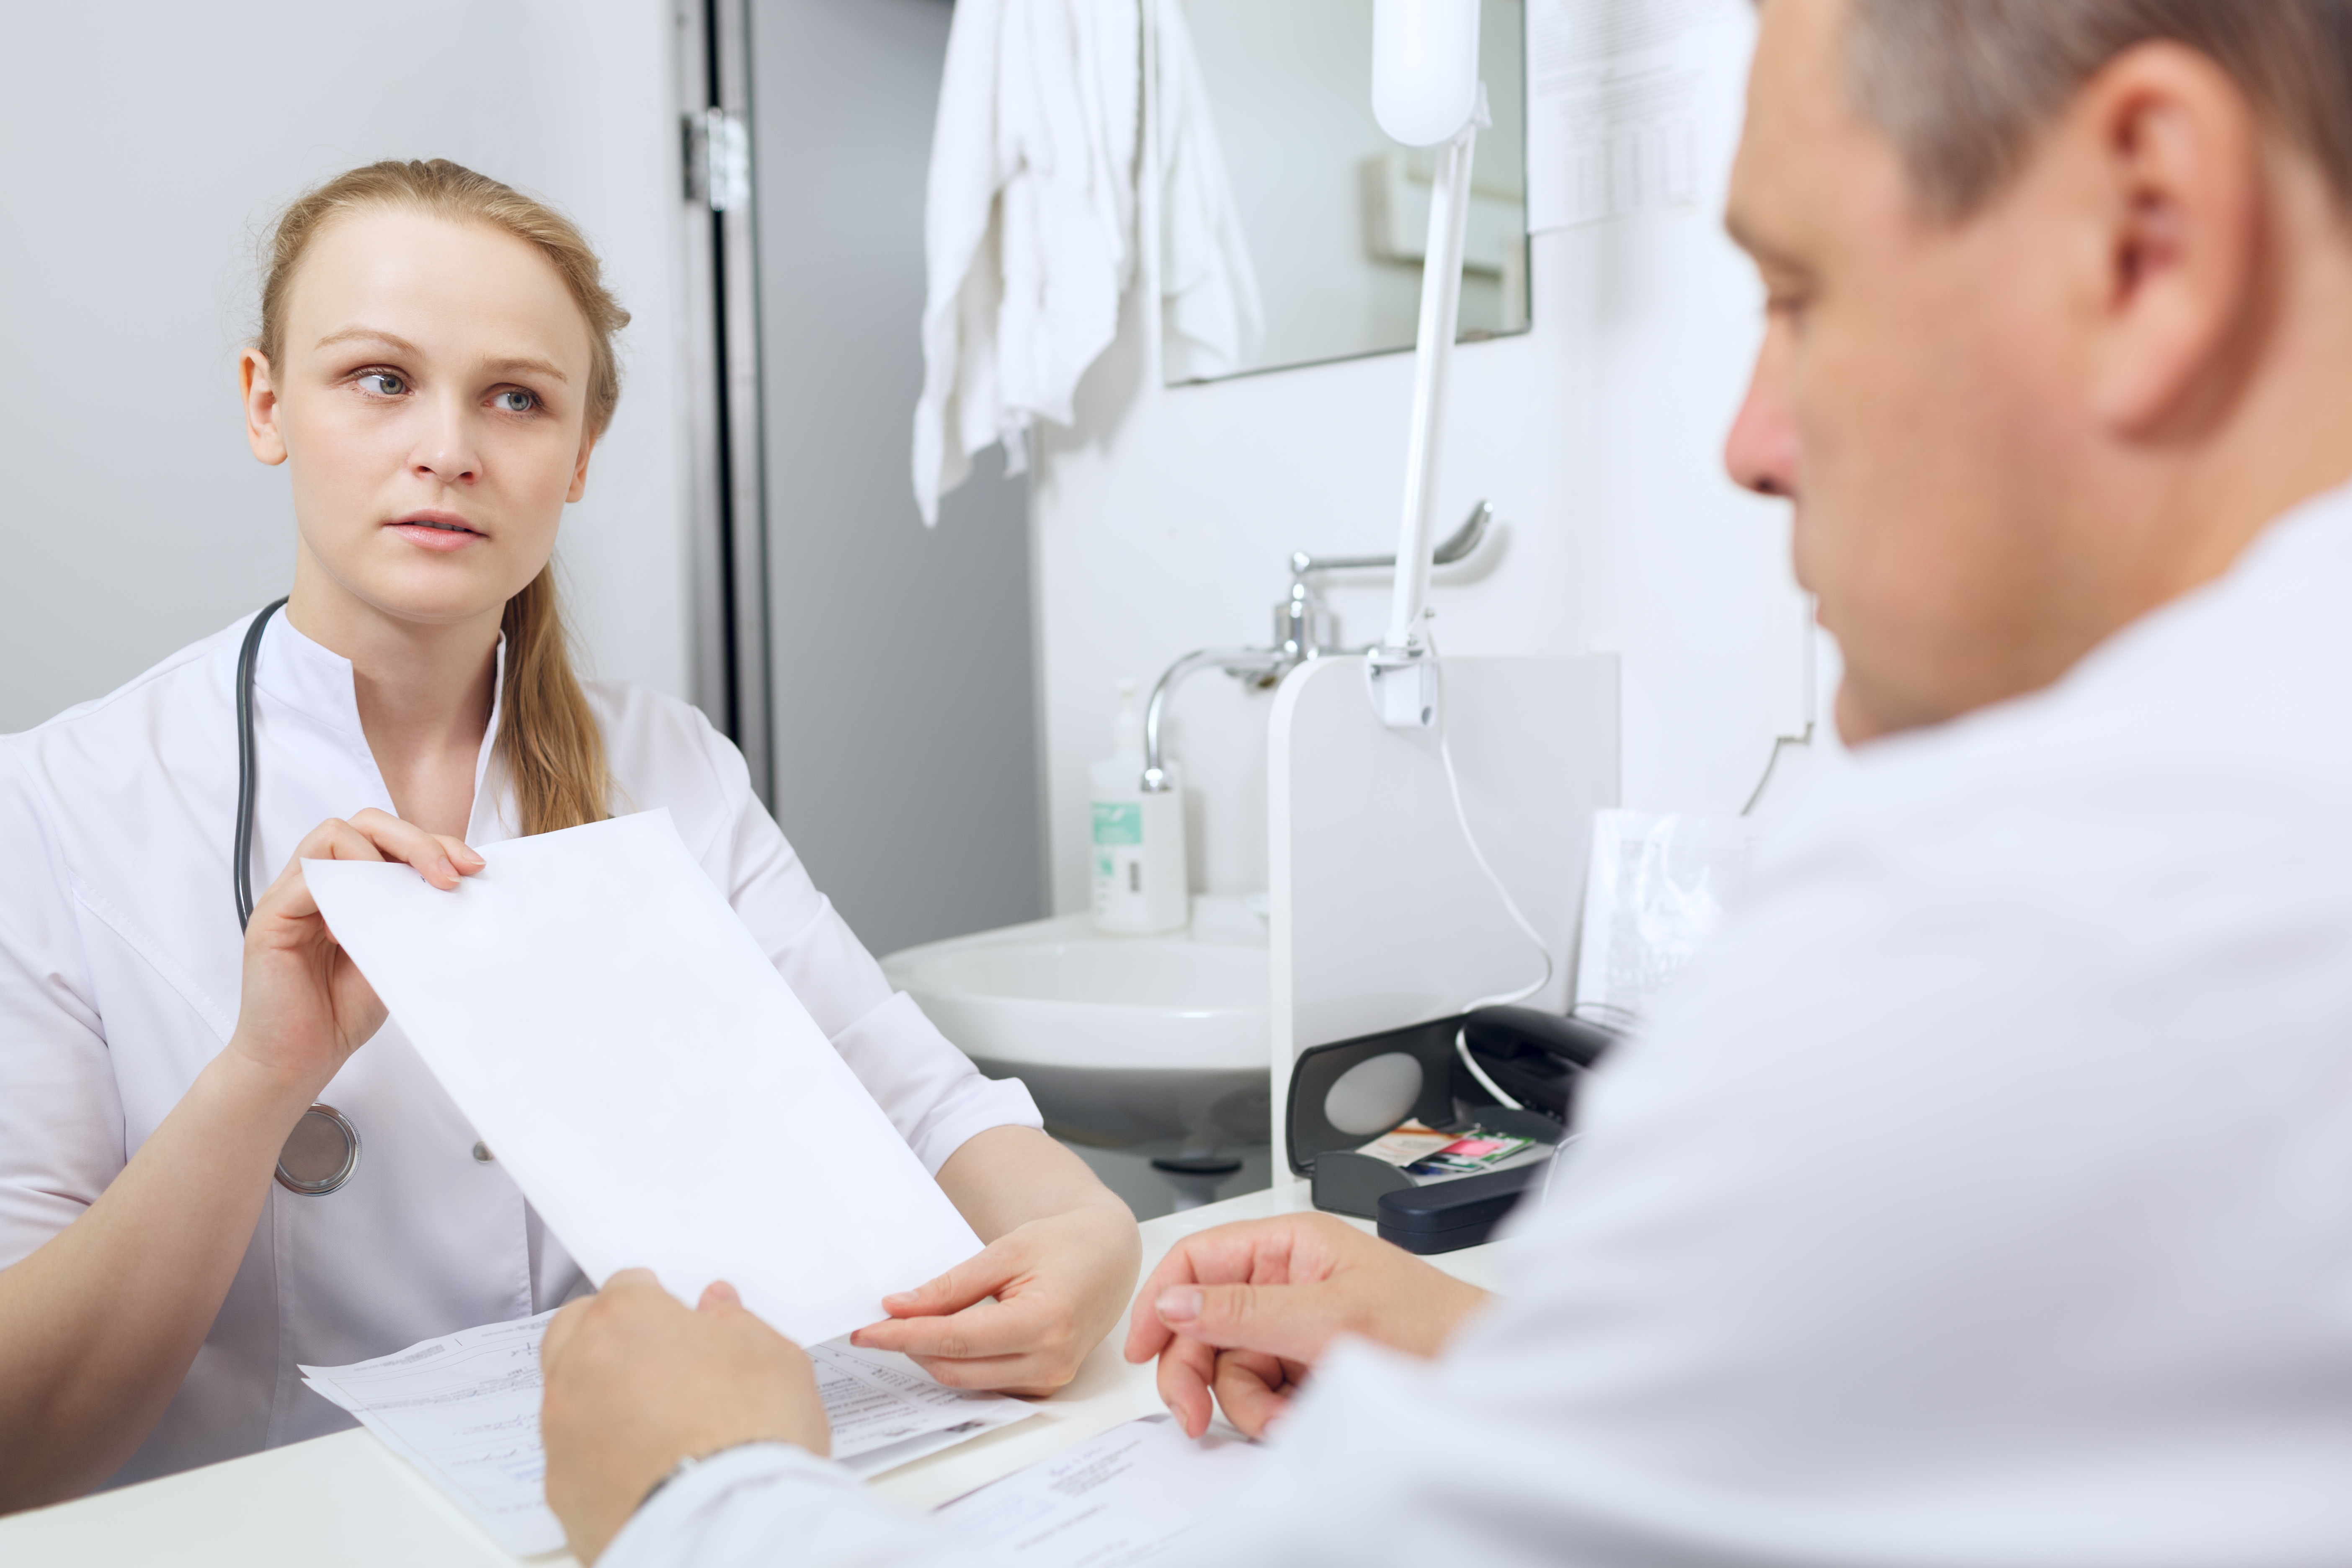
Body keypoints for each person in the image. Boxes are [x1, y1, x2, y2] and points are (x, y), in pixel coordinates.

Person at [532, 0, 2352, 1563]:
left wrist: (703, 1487)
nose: (1746, 441)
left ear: (2148, 232)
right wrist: (1514, 1376)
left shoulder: (2047, 919)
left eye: (1799, 295)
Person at [0, 159, 1140, 1513]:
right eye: (378, 379)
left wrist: (1089, 1238)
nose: (449, 450)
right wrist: (259, 1077)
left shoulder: (671, 765)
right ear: (267, 405)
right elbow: (25, 1443)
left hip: (639, 1515)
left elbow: (914, 1095)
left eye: (517, 398)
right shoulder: (63, 804)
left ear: (581, 453)